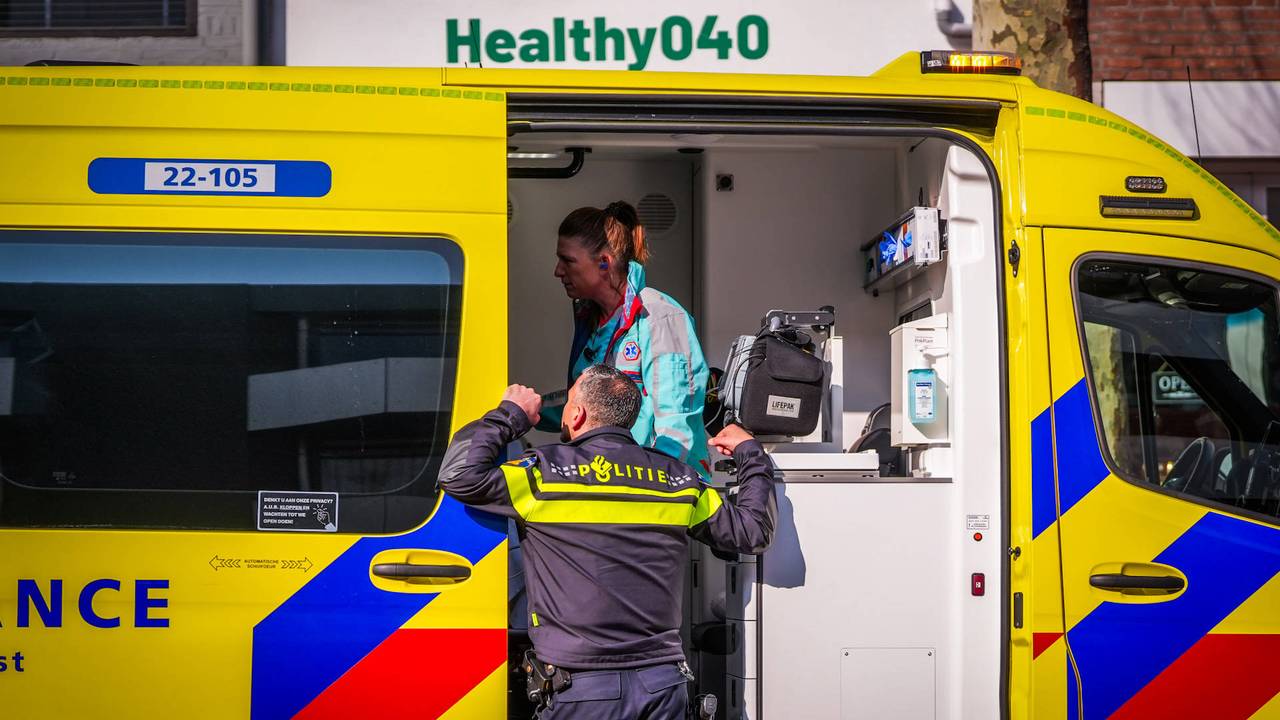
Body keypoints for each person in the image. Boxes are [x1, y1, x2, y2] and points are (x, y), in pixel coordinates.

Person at [439, 365, 775, 719]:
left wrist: (510, 414)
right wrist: (751, 452)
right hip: (663, 688)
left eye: (567, 403)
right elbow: (752, 532)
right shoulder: (680, 480)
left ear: (578, 413)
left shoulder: (544, 474)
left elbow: (458, 475)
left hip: (581, 692)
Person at [542, 201, 713, 476]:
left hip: (657, 490)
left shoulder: (658, 317)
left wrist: (659, 486)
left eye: (568, 260)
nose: (558, 271)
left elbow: (677, 423)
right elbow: (589, 404)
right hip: (613, 481)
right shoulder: (593, 322)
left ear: (604, 262)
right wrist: (529, 409)